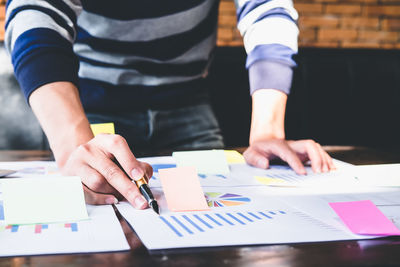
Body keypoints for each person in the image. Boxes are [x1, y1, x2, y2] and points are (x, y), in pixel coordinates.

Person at [5, 0, 335, 209]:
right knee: (95, 212)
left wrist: (267, 132)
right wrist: (73, 146)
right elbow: (35, 15)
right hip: (92, 112)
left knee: (214, 219)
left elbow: (267, 13)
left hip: (188, 103)